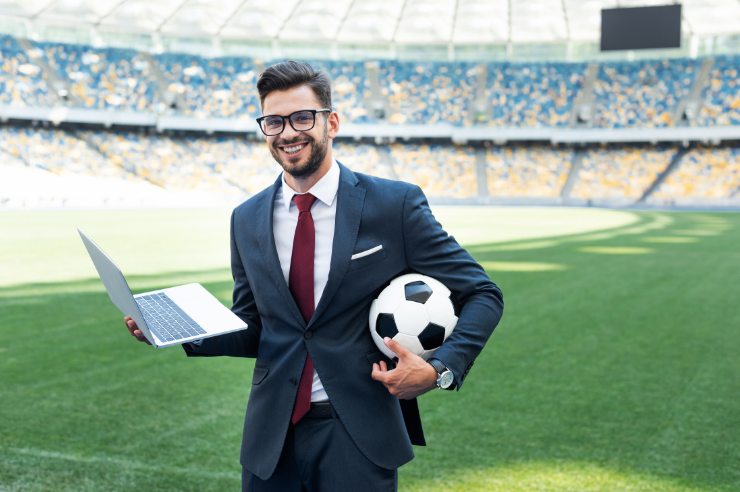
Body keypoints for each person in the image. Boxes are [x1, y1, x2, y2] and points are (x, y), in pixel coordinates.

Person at [125, 60, 503, 491]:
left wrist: (439, 369)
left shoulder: (393, 205)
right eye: (274, 121)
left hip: (357, 436)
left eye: (302, 117)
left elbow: (482, 293)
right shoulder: (246, 218)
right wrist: (180, 329)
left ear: (331, 122)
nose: (288, 132)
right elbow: (257, 326)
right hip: (272, 440)